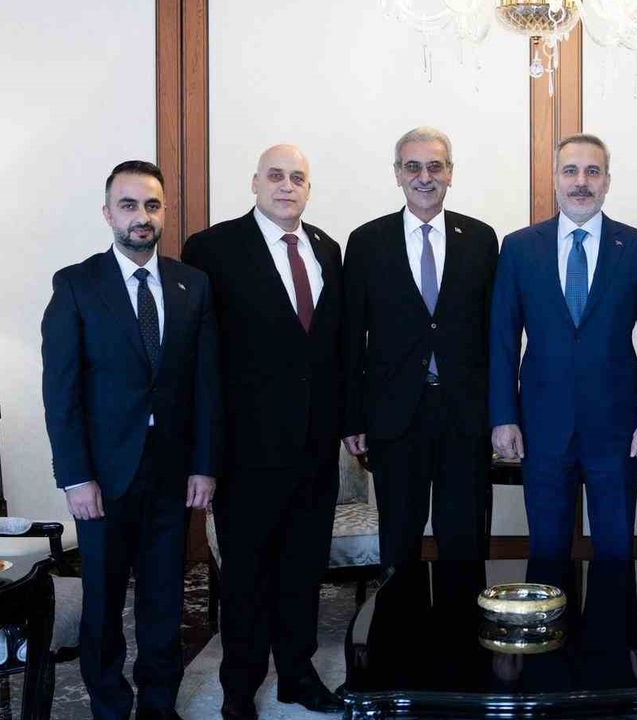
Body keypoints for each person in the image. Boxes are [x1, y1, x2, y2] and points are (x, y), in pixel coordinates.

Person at [42, 160, 220, 720]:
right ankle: (110, 706)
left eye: (151, 205)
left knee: (165, 600)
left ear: (163, 212)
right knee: (102, 601)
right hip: (101, 478)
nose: (141, 216)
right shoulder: (76, 284)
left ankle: (159, 705)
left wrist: (204, 464)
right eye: (128, 205)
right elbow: (61, 391)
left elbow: (206, 385)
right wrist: (75, 477)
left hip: (172, 473)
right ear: (107, 213)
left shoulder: (192, 285)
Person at [181, 145, 343, 719]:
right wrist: (203, 449)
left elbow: (334, 348)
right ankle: (238, 689)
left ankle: (297, 675)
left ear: (309, 188)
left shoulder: (327, 248)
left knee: (304, 570)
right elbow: (199, 356)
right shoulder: (212, 248)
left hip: (316, 445)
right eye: (276, 176)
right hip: (245, 450)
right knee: (246, 578)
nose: (286, 185)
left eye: (298, 177)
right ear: (254, 183)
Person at [489, 133, 637, 560]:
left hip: (618, 427)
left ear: (607, 180)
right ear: (555, 178)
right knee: (546, 551)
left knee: (615, 551)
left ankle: (613, 610)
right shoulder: (519, 248)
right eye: (570, 171)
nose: (581, 182)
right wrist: (503, 417)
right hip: (542, 426)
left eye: (592, 171)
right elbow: (503, 340)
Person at [341, 127, 499, 565]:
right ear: (397, 173)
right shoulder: (366, 242)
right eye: (413, 167)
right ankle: (400, 614)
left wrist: (501, 413)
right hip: (394, 416)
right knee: (399, 538)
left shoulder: (481, 239)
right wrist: (353, 417)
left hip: (465, 415)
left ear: (450, 173)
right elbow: (351, 338)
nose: (424, 177)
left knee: (464, 538)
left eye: (434, 166)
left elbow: (496, 335)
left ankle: (461, 614)